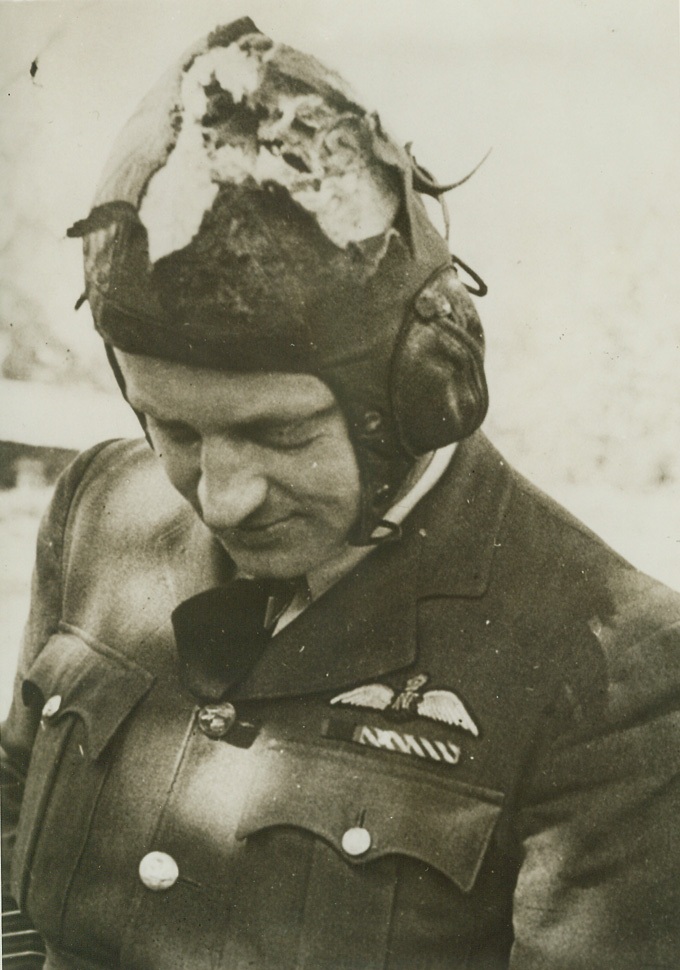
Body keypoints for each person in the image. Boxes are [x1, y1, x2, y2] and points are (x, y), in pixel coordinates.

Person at [2, 16, 679, 970]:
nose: (223, 497)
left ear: (420, 394)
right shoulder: (97, 512)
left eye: (279, 433)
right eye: (176, 430)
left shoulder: (612, 670)